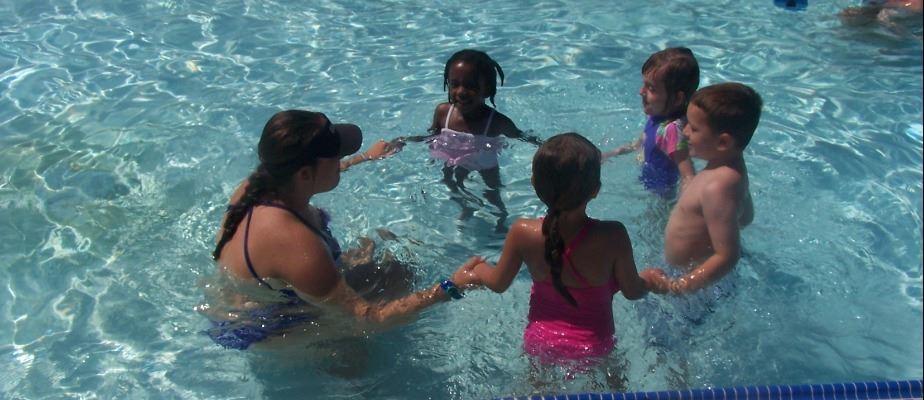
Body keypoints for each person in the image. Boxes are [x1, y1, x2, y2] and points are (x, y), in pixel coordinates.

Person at [206, 109, 481, 350]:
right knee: (365, 338)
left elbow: (314, 176)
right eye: (336, 157)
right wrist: (449, 288)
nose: (341, 161)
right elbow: (369, 319)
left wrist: (364, 158)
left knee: (395, 270)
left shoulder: (258, 184)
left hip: (245, 303)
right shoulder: (296, 243)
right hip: (264, 330)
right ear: (304, 174)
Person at [457, 132, 648, 364]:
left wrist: (478, 269)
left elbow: (498, 283)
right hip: (596, 346)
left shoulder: (522, 232)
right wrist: (650, 281)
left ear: (534, 183)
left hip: (540, 344)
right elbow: (632, 291)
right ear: (595, 190)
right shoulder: (612, 236)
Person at [640, 83, 761, 295]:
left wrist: (676, 287)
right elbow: (745, 217)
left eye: (694, 128)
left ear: (723, 142)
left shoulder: (717, 186)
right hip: (692, 273)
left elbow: (727, 256)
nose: (684, 131)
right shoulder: (731, 171)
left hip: (693, 286)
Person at [401, 49, 542, 227]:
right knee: (451, 183)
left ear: (487, 89)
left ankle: (501, 218)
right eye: (454, 84)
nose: (461, 91)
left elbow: (521, 137)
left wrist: (547, 147)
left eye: (470, 86)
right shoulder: (444, 112)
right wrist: (406, 140)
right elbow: (433, 136)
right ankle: (465, 207)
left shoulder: (496, 121)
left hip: (484, 162)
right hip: (450, 157)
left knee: (493, 192)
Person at [603, 47, 700, 197]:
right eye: (644, 84)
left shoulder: (672, 131)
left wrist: (685, 209)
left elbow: (688, 175)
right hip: (648, 181)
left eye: (652, 89)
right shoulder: (657, 115)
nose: (641, 92)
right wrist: (610, 154)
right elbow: (638, 144)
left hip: (661, 196)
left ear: (677, 98)